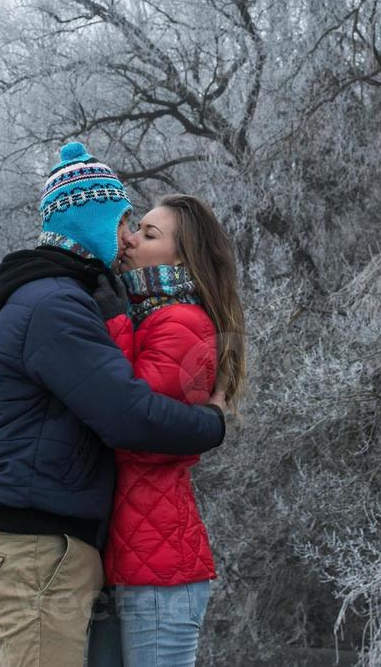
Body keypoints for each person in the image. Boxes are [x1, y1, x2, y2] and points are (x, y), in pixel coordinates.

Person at [0, 143, 229, 667]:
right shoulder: (55, 304)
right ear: (93, 227)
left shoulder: (58, 299)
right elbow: (127, 414)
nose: (129, 237)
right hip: (40, 546)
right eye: (124, 222)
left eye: (144, 229)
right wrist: (212, 425)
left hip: (54, 545)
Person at [87, 194, 247, 667]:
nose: (130, 239)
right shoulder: (153, 317)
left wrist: (113, 323)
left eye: (149, 234)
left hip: (160, 568)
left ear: (184, 258)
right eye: (137, 228)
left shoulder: (183, 322)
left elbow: (141, 430)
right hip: (136, 555)